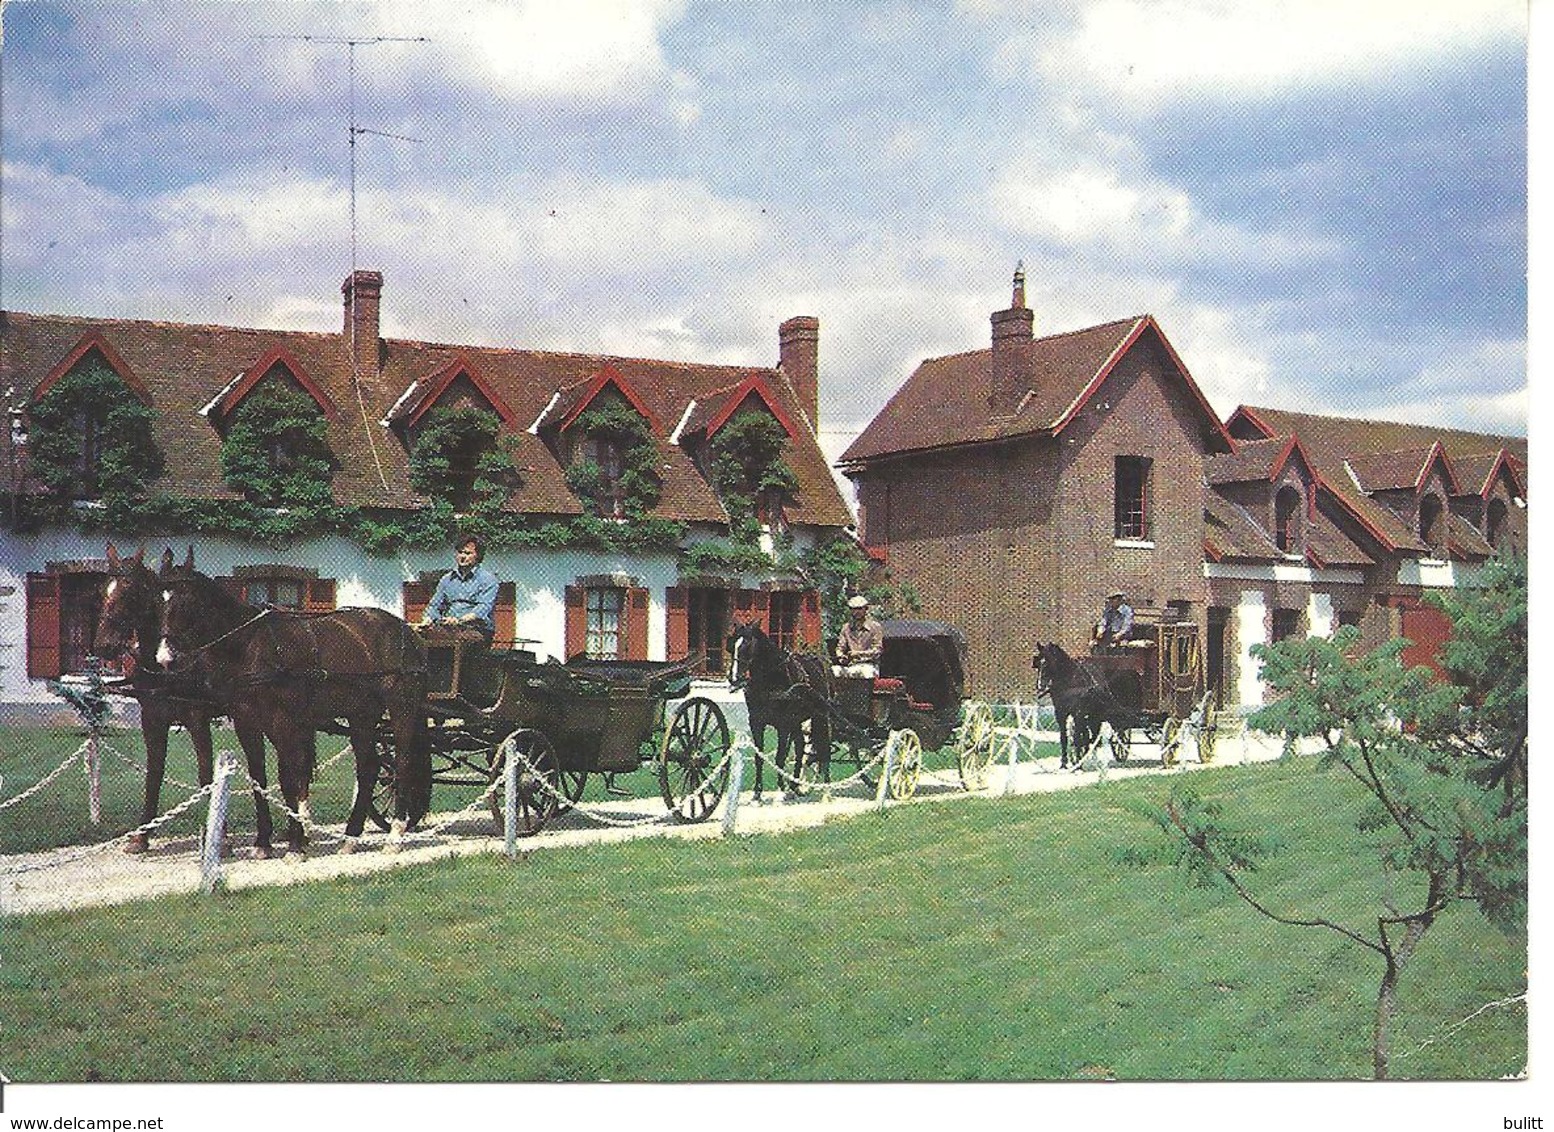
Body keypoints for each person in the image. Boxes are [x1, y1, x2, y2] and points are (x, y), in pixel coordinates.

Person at [420, 535, 499, 643]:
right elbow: (434, 605)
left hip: (477, 631)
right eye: (460, 552)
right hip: (449, 629)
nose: (462, 556)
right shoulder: (446, 579)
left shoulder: (488, 580)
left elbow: (483, 608)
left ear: (478, 556)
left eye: (467, 553)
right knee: (416, 636)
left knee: (457, 638)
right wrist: (428, 619)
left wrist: (459, 620)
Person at [833, 594, 884, 678]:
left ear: (866, 609)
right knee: (834, 671)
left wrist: (858, 654)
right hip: (851, 666)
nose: (856, 612)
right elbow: (840, 647)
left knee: (863, 673)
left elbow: (877, 651)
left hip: (869, 666)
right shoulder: (846, 628)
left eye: (859, 609)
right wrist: (841, 656)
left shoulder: (875, 627)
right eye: (853, 609)